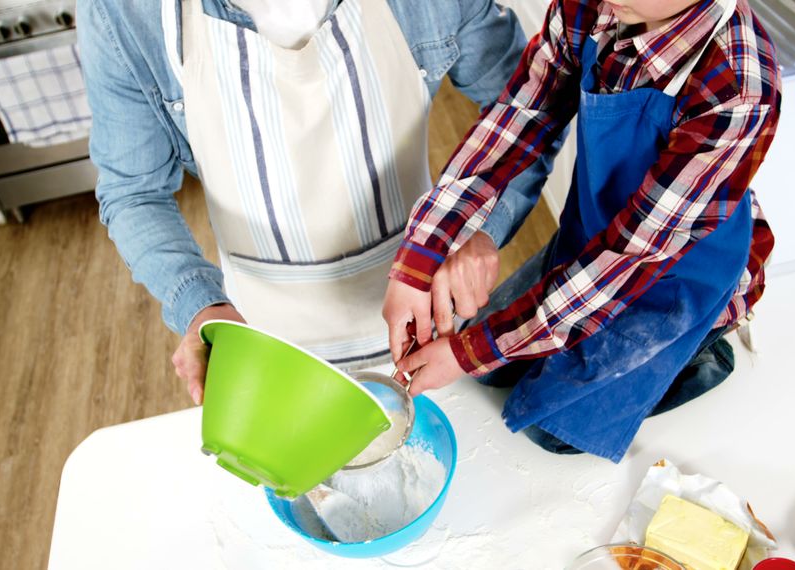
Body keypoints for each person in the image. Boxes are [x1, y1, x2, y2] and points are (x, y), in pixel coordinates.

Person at [78, 0, 561, 404]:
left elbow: (530, 108)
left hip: (431, 333)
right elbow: (133, 191)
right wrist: (202, 308)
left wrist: (480, 229)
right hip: (263, 344)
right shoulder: (124, 12)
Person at [383, 0, 781, 461]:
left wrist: (470, 351)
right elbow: (519, 122)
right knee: (488, 368)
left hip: (670, 274)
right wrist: (419, 258)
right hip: (596, 236)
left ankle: (702, 349)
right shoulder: (594, 7)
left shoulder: (739, 88)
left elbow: (627, 260)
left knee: (549, 429)